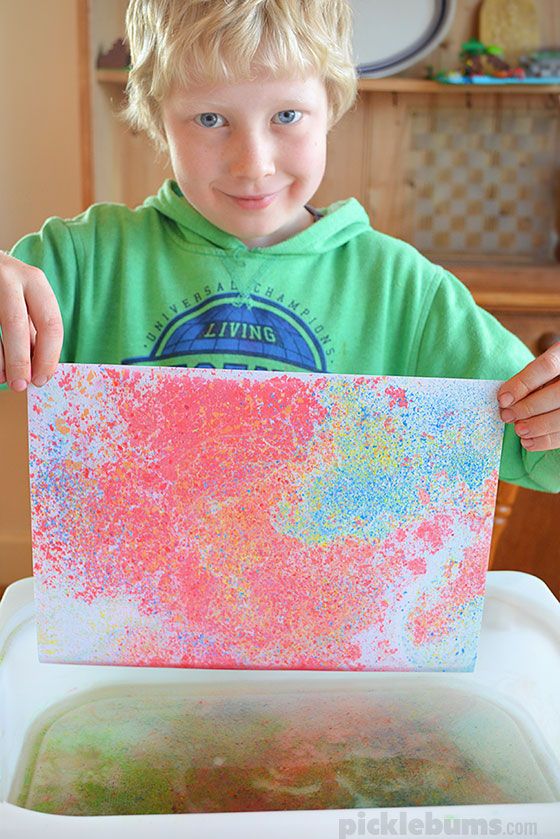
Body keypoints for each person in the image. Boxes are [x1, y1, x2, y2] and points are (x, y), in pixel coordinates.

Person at [0, 0, 558, 492]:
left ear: (332, 105)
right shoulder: (77, 265)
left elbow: (540, 454)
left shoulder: (407, 294)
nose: (254, 164)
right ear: (157, 117)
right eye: (211, 118)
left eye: (286, 115)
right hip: (120, 610)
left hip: (339, 608)